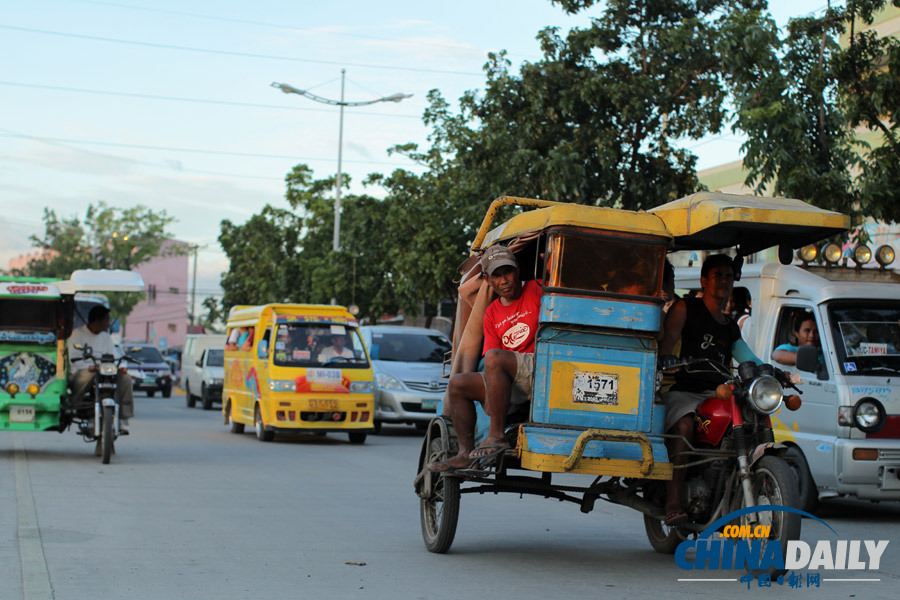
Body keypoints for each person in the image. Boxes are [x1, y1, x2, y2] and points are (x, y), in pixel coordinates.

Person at [658, 254, 762, 526]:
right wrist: (666, 358)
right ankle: (673, 501)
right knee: (684, 426)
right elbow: (668, 341)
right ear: (704, 280)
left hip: (717, 394)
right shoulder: (685, 308)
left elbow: (748, 358)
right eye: (718, 276)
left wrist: (772, 371)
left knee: (748, 423)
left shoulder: (729, 326)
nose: (724, 281)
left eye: (729, 277)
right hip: (682, 390)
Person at [428, 245, 542, 472]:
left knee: (494, 358)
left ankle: (496, 435)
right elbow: (491, 361)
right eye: (497, 276)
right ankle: (465, 454)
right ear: (488, 280)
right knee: (457, 383)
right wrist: (491, 392)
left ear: (517, 271)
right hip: (509, 376)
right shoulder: (491, 312)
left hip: (537, 368)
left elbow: (494, 358)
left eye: (508, 272)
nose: (504, 281)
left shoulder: (536, 288)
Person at [67, 306, 134, 432]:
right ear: (97, 321)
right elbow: (72, 359)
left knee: (125, 378)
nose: (108, 324)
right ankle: (73, 404)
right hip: (82, 372)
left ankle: (123, 417)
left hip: (102, 373)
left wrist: (122, 367)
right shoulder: (77, 335)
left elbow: (115, 355)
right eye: (106, 320)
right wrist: (89, 367)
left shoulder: (106, 337)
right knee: (87, 374)